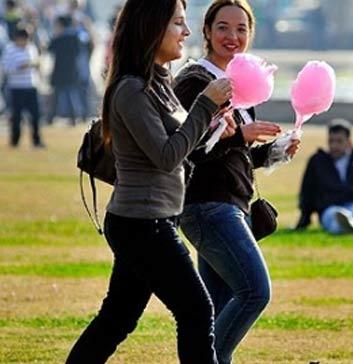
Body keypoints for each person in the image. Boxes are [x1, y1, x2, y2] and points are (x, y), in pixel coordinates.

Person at [66, 0, 233, 362]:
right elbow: (166, 155)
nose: (186, 32)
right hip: (142, 224)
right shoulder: (131, 89)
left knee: (117, 318)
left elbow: (183, 150)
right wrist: (204, 106)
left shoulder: (160, 83)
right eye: (178, 23)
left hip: (155, 219)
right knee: (197, 310)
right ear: (151, 28)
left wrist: (214, 126)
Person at [173, 1, 299, 363]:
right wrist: (240, 136)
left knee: (217, 311)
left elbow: (234, 157)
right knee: (255, 291)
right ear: (207, 32)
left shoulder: (243, 85)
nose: (233, 36)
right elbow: (188, 151)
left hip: (231, 205)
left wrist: (275, 151)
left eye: (241, 29)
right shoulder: (195, 81)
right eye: (224, 27)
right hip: (207, 207)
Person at [1, 25, 43, 148]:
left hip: (31, 85)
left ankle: (36, 140)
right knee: (16, 116)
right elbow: (5, 68)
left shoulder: (31, 48)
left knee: (35, 115)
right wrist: (20, 66)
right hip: (16, 87)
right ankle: (15, 141)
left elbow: (36, 63)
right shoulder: (9, 49)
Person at [47, 15, 82, 125]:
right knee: (71, 94)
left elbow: (49, 49)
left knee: (56, 95)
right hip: (72, 69)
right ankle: (74, 118)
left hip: (59, 69)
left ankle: (51, 117)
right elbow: (79, 52)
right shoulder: (75, 37)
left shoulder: (59, 37)